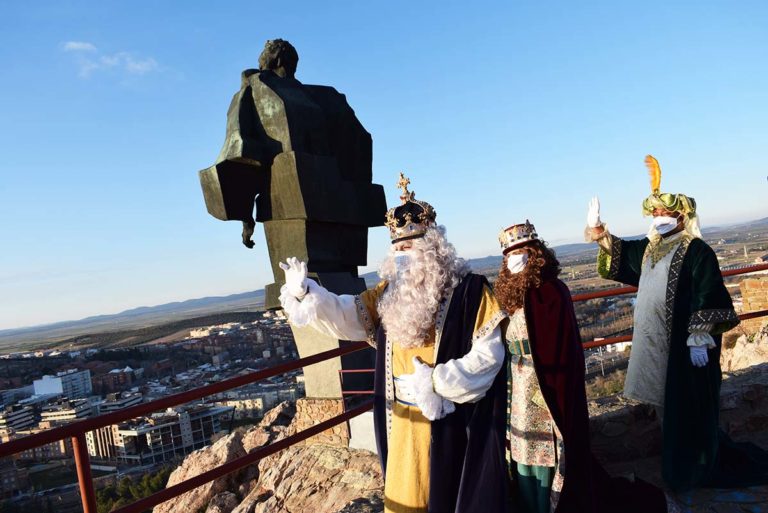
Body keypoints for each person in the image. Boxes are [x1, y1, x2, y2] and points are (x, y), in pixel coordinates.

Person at [279, 173, 508, 513]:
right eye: (397, 249)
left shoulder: (470, 293)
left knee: (448, 497)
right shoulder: (387, 294)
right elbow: (348, 315)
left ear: (432, 248)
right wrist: (306, 293)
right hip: (400, 422)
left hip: (451, 419)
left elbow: (489, 357)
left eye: (409, 247)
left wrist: (436, 381)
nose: (401, 255)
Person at [584, 155, 768, 491]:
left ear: (682, 216)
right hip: (657, 346)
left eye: (665, 213)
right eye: (655, 213)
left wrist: (699, 337)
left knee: (689, 408)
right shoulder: (650, 249)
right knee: (666, 406)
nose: (659, 218)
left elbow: (708, 293)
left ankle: (692, 469)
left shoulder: (697, 251)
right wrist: (599, 232)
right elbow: (620, 255)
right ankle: (677, 461)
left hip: (686, 349)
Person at [495, 221, 669, 512]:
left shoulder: (552, 291)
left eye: (520, 251)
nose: (514, 258)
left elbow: (563, 348)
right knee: (523, 448)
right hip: (518, 384)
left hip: (545, 386)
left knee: (548, 449)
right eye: (509, 254)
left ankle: (551, 504)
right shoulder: (507, 296)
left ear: (534, 253)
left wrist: (549, 382)